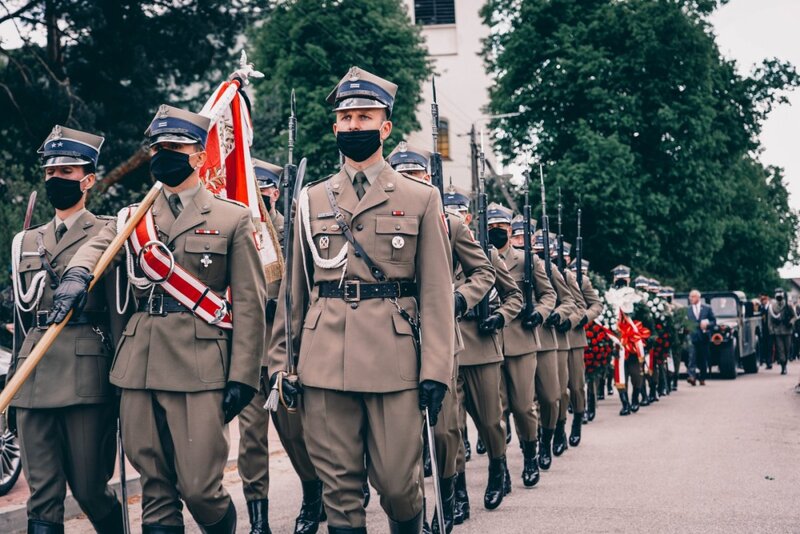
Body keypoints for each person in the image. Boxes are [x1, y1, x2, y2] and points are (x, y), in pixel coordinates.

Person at [47, 105, 267, 533]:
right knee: (155, 485)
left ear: (200, 157)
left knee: (201, 487)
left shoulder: (231, 217)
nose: (163, 155)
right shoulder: (134, 217)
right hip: (140, 364)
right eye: (158, 148)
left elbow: (250, 304)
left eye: (174, 148)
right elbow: (99, 245)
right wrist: (77, 274)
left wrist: (244, 375)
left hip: (199, 366)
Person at [268, 66, 454, 534]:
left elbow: (436, 293)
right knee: (340, 492)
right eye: (345, 118)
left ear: (385, 127)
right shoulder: (309, 200)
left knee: (396, 485)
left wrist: (436, 368)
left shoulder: (420, 197)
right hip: (323, 357)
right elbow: (294, 292)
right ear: (334, 126)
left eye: (364, 116)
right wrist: (279, 363)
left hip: (393, 361)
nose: (353, 126)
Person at [9, 125, 125, 533]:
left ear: (88, 180)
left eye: (68, 172)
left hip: (86, 374)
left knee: (92, 489)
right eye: (51, 173)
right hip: (33, 377)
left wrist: (121, 384)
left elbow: (119, 312)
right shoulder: (25, 241)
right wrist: (11, 387)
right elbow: (24, 321)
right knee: (42, 495)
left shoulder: (111, 231)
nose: (57, 180)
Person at [388, 143, 495, 532]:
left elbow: (484, 272)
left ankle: (448, 498)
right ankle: (413, 505)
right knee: (401, 432)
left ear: (427, 179)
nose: (408, 183)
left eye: (415, 176)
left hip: (440, 336)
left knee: (446, 428)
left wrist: (458, 298)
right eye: (402, 176)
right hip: (393, 334)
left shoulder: (450, 223)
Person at [235, 159, 324, 534]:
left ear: (273, 192)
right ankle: (259, 520)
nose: (259, 194)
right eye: (252, 187)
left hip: (284, 354)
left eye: (265, 188)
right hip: (244, 354)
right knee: (251, 441)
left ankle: (313, 489)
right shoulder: (235, 232)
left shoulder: (292, 233)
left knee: (295, 435)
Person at [489, 207, 556, 488]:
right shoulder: (477, 255)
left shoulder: (527, 260)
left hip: (521, 340)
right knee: (496, 409)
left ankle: (530, 455)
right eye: (492, 224)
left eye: (502, 224)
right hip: (488, 341)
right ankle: (500, 465)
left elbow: (549, 294)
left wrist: (539, 313)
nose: (497, 229)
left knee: (523, 406)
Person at [532, 230, 577, 466]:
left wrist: (557, 315)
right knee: (524, 403)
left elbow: (570, 301)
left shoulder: (553, 271)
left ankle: (553, 432)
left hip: (550, 339)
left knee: (554, 395)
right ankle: (530, 445)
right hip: (521, 338)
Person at [563, 248, 603, 444]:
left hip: (573, 337)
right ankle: (557, 426)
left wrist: (583, 318)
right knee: (555, 390)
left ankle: (578, 417)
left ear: (568, 258)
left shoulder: (579, 279)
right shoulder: (541, 271)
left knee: (576, 386)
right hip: (550, 338)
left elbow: (596, 305)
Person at [687, 289, 715, 386]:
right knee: (692, 357)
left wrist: (707, 325)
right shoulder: (688, 309)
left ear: (698, 298)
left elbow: (713, 321)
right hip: (692, 337)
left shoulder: (707, 308)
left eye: (693, 296)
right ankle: (692, 377)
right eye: (690, 296)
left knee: (703, 358)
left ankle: (702, 377)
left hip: (704, 337)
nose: (691, 298)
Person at [768, 288, 795, 375]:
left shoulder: (788, 305)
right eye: (777, 294)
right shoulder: (772, 306)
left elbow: (795, 316)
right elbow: (770, 320)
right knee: (780, 350)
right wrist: (771, 330)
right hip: (778, 331)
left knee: (787, 349)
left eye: (780, 293)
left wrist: (791, 322)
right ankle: (783, 367)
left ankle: (785, 363)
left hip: (787, 331)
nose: (778, 295)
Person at [759, 293, 773, 368]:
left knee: (769, 346)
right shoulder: (761, 307)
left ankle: (769, 362)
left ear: (767, 299)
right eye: (762, 300)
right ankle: (762, 360)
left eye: (764, 299)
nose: (763, 301)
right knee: (763, 346)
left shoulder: (770, 307)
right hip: (763, 330)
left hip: (769, 330)